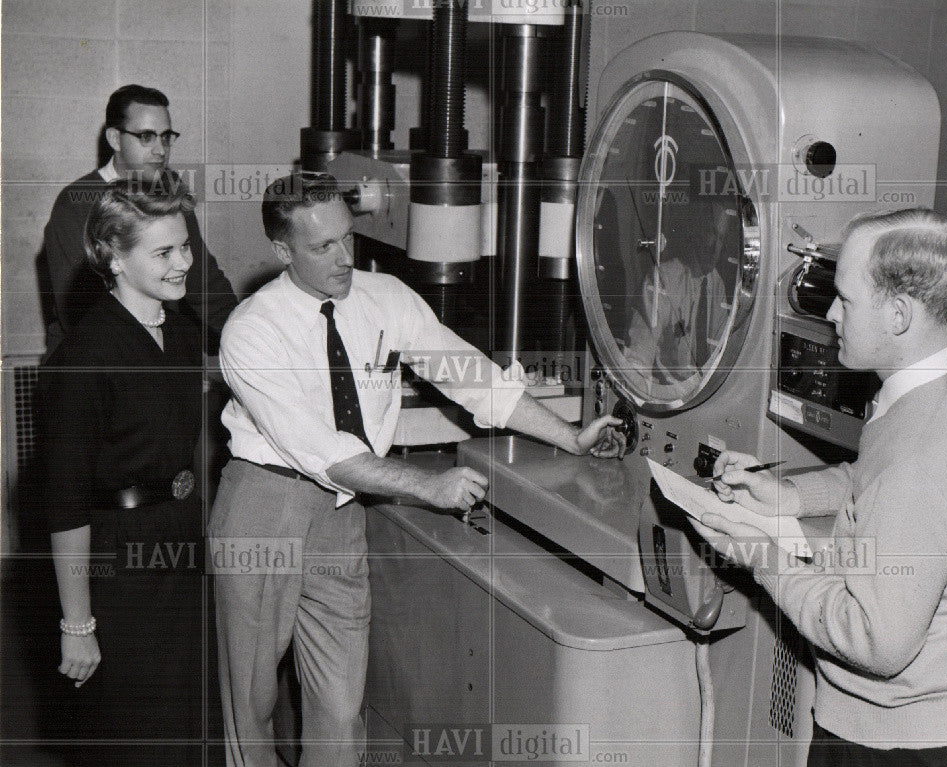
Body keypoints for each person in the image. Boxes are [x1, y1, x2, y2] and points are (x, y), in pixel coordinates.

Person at [210, 171, 626, 767]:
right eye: (322, 247)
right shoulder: (251, 330)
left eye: (347, 238)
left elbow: (472, 375)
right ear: (282, 251)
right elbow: (324, 452)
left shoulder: (386, 298)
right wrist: (430, 486)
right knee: (251, 701)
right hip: (264, 504)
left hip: (340, 512)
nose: (344, 258)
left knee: (339, 703)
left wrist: (569, 437)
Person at [695, 208, 947, 766]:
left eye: (846, 299)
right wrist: (793, 497)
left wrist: (761, 555)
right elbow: (879, 482)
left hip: (891, 747)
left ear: (899, 315)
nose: (831, 313)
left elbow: (873, 640)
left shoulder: (923, 457)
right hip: (942, 733)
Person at [41, 180, 207, 765]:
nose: (184, 262)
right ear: (114, 256)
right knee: (142, 736)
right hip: (121, 564)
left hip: (184, 545)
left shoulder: (183, 333)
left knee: (188, 724)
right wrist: (78, 624)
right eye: (164, 253)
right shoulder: (83, 358)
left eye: (184, 246)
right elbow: (63, 505)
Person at [42, 83, 237, 352]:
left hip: (154, 342)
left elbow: (202, 280)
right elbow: (76, 306)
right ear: (114, 139)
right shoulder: (76, 202)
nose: (160, 150)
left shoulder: (169, 188)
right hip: (90, 356)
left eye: (166, 137)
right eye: (146, 136)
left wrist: (243, 333)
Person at [623, 201, 736, 401]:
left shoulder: (716, 281)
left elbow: (721, 350)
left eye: (721, 238)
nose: (715, 247)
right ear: (696, 232)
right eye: (711, 234)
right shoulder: (663, 279)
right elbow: (639, 354)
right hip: (667, 395)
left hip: (705, 394)